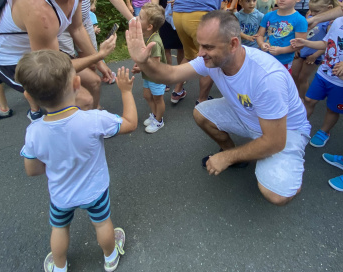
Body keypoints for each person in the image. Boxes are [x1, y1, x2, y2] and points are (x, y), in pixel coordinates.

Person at [126, 11, 311, 206]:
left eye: (207, 47)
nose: (200, 53)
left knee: (276, 194)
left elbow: (275, 141)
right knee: (201, 113)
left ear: (233, 44)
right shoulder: (213, 60)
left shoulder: (267, 77)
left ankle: (290, 162)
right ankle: (237, 156)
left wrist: (226, 158)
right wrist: (144, 61)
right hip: (248, 114)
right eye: (200, 44)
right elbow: (171, 75)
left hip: (285, 131)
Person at [17, 50, 138, 272]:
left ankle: (60, 271)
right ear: (76, 82)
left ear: (29, 96)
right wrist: (125, 92)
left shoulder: (34, 132)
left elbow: (32, 170)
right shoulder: (94, 119)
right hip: (95, 190)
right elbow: (131, 124)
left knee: (59, 227)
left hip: (61, 195)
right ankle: (110, 257)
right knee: (103, 223)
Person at [0, 0, 115, 121]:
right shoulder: (38, 9)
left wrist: (99, 62)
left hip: (42, 48)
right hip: (10, 58)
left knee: (94, 82)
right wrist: (98, 56)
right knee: (84, 100)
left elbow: (77, 28)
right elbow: (53, 67)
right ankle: (68, 131)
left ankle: (93, 122)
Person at [291, 16, 343, 148]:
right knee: (309, 99)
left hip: (340, 82)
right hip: (324, 73)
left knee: (332, 109)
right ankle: (300, 125)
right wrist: (305, 43)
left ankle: (324, 131)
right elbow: (326, 43)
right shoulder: (337, 21)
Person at [172, 0, 222, 105]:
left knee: (189, 55)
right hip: (200, 13)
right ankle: (202, 100)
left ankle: (177, 91)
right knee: (210, 59)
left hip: (178, 13)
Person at [291, 0, 337, 101]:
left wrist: (315, 55)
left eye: (316, 11)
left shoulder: (330, 24)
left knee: (302, 78)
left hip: (313, 55)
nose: (313, 13)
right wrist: (295, 48)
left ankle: (303, 99)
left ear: (329, 8)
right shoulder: (311, 17)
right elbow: (301, 34)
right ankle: (294, 98)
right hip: (301, 51)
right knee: (294, 75)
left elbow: (328, 44)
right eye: (311, 10)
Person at [132, 3, 167, 133]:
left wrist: (140, 67)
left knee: (158, 98)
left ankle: (159, 121)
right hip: (148, 76)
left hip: (156, 77)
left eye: (140, 17)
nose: (136, 18)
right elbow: (146, 58)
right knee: (147, 95)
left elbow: (155, 64)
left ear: (149, 26)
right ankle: (155, 115)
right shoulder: (148, 36)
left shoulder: (155, 42)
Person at [257, 0, 308, 74]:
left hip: (283, 62)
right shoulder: (268, 15)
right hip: (265, 59)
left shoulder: (300, 20)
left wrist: (282, 50)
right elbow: (260, 35)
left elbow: (300, 45)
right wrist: (261, 44)